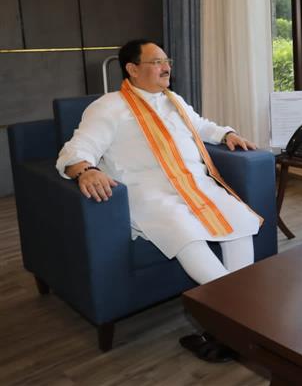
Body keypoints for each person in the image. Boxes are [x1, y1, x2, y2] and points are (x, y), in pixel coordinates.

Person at [56, 39, 260, 362]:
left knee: (239, 223)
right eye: (156, 61)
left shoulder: (173, 100)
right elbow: (76, 149)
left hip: (194, 185)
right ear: (132, 70)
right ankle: (245, 319)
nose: (166, 67)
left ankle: (226, 329)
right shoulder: (108, 107)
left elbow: (201, 125)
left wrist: (226, 134)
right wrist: (87, 171)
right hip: (149, 193)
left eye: (167, 60)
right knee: (186, 234)